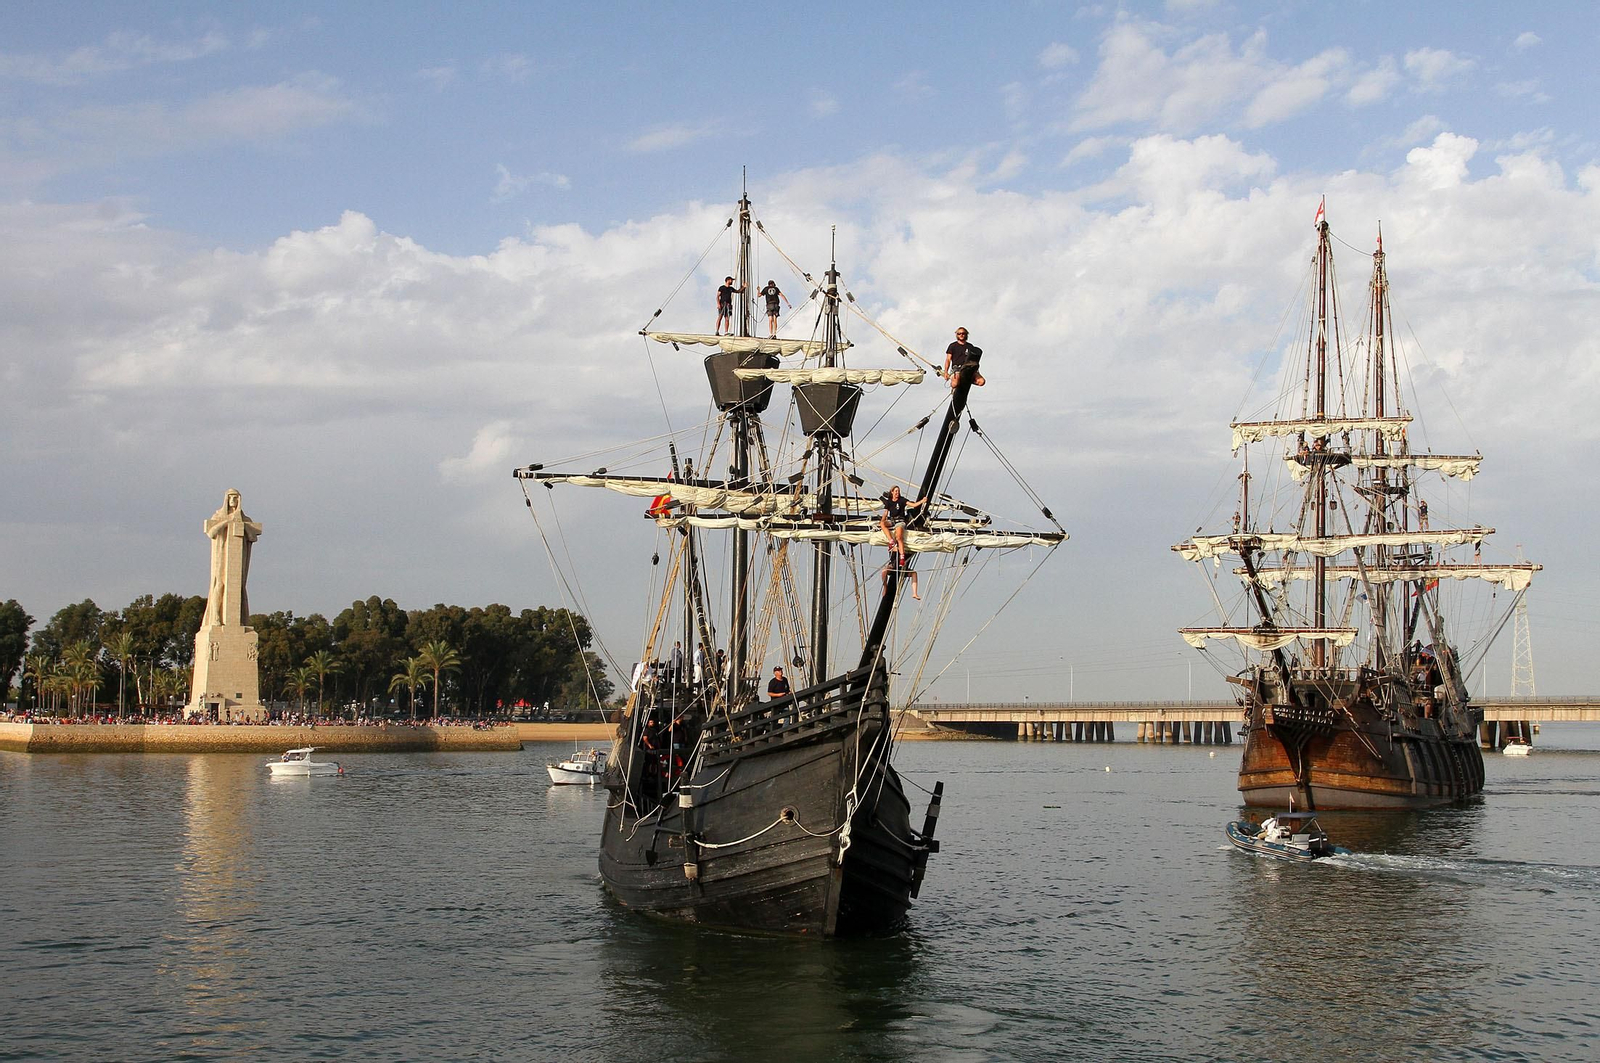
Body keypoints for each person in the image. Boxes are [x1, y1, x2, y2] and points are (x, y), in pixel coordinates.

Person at [879, 485, 927, 563]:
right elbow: (885, 513)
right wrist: (882, 521)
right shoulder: (889, 502)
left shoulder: (902, 500)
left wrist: (922, 501)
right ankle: (891, 541)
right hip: (892, 521)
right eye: (896, 491)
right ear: (892, 492)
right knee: (882, 524)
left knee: (899, 537)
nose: (897, 492)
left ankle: (902, 556)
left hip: (900, 522)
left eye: (898, 491)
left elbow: (913, 505)